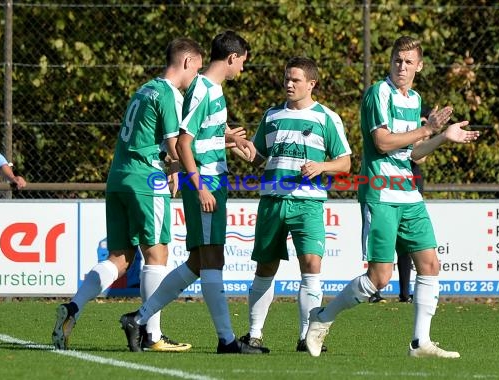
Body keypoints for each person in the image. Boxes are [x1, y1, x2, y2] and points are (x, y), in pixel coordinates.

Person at [306, 36, 480, 358]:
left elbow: (416, 153)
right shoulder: (377, 94)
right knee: (379, 278)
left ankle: (420, 343)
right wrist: (428, 130)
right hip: (381, 192)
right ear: (390, 62)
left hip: (408, 193)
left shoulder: (414, 99)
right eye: (397, 60)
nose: (402, 67)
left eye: (408, 62)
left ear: (419, 66)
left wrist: (442, 136)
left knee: (430, 264)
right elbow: (383, 142)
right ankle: (321, 318)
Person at [52, 37, 205, 352]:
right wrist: (216, 146)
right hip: (146, 180)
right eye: (197, 71)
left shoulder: (144, 89)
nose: (195, 80)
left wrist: (173, 168)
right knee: (157, 253)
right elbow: (176, 147)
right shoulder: (169, 95)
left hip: (118, 177)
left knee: (119, 259)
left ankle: (73, 308)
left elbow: (154, 139)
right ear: (187, 62)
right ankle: (152, 335)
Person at [120, 31, 265, 354]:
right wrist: (199, 187)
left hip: (212, 181)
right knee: (212, 260)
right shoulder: (204, 90)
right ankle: (226, 340)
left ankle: (139, 318)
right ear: (231, 58)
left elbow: (199, 136)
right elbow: (184, 142)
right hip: (208, 183)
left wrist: (231, 139)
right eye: (242, 61)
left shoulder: (209, 90)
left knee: (201, 262)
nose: (242, 68)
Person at [237, 57, 351, 353]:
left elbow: (345, 162)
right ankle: (254, 334)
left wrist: (322, 166)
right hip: (273, 202)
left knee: (311, 266)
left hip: (308, 204)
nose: (289, 84)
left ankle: (306, 337)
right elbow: (257, 156)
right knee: (265, 268)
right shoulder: (272, 115)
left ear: (311, 84)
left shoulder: (327, 117)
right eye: (287, 78)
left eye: (295, 80)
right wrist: (232, 144)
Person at [368, 105, 430, 304]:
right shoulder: (389, 117)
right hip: (385, 184)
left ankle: (405, 293)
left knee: (407, 244)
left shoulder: (420, 115)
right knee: (383, 241)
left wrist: (425, 131)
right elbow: (384, 143)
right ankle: (374, 291)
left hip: (410, 185)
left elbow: (420, 157)